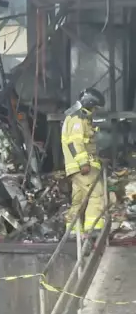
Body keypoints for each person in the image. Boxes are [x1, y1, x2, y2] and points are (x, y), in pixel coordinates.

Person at [61, 88, 105, 237]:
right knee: (96, 194)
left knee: (78, 200)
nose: (95, 110)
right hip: (82, 167)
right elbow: (75, 142)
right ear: (89, 103)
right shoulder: (78, 119)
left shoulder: (78, 117)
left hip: (77, 168)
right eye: (95, 107)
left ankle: (73, 230)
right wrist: (83, 163)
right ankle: (94, 229)